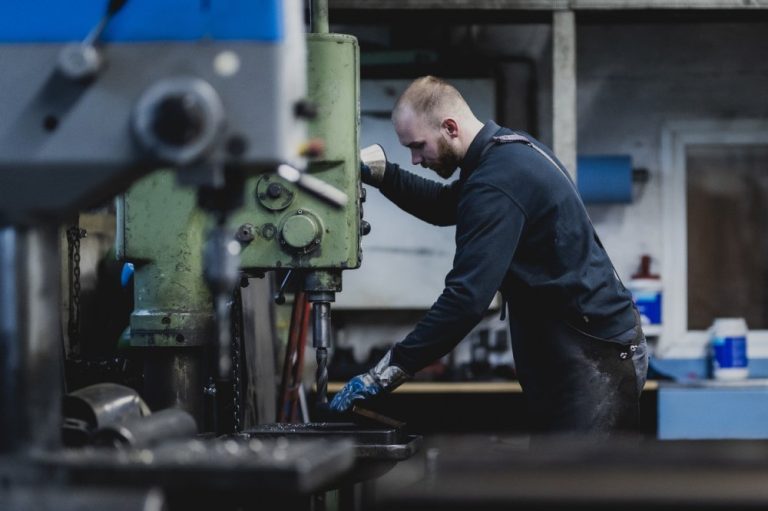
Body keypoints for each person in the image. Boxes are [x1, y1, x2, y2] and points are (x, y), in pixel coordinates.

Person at [330, 76, 648, 433]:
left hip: (594, 355)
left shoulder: (498, 179)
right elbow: (444, 205)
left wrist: (386, 371)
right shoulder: (505, 152)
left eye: (418, 146)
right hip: (577, 345)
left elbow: (466, 299)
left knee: (586, 483)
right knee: (562, 479)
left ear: (450, 127)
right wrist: (383, 174)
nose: (416, 159)